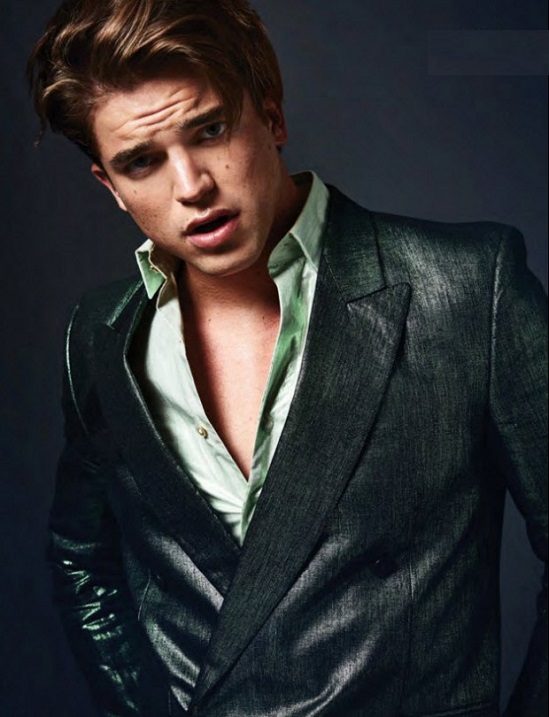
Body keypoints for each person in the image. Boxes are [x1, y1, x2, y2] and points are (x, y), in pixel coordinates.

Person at [27, 1, 547, 715]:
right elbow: (82, 557)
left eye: (209, 130)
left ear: (270, 116)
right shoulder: (101, 335)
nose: (191, 186)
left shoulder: (462, 288)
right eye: (142, 162)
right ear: (110, 186)